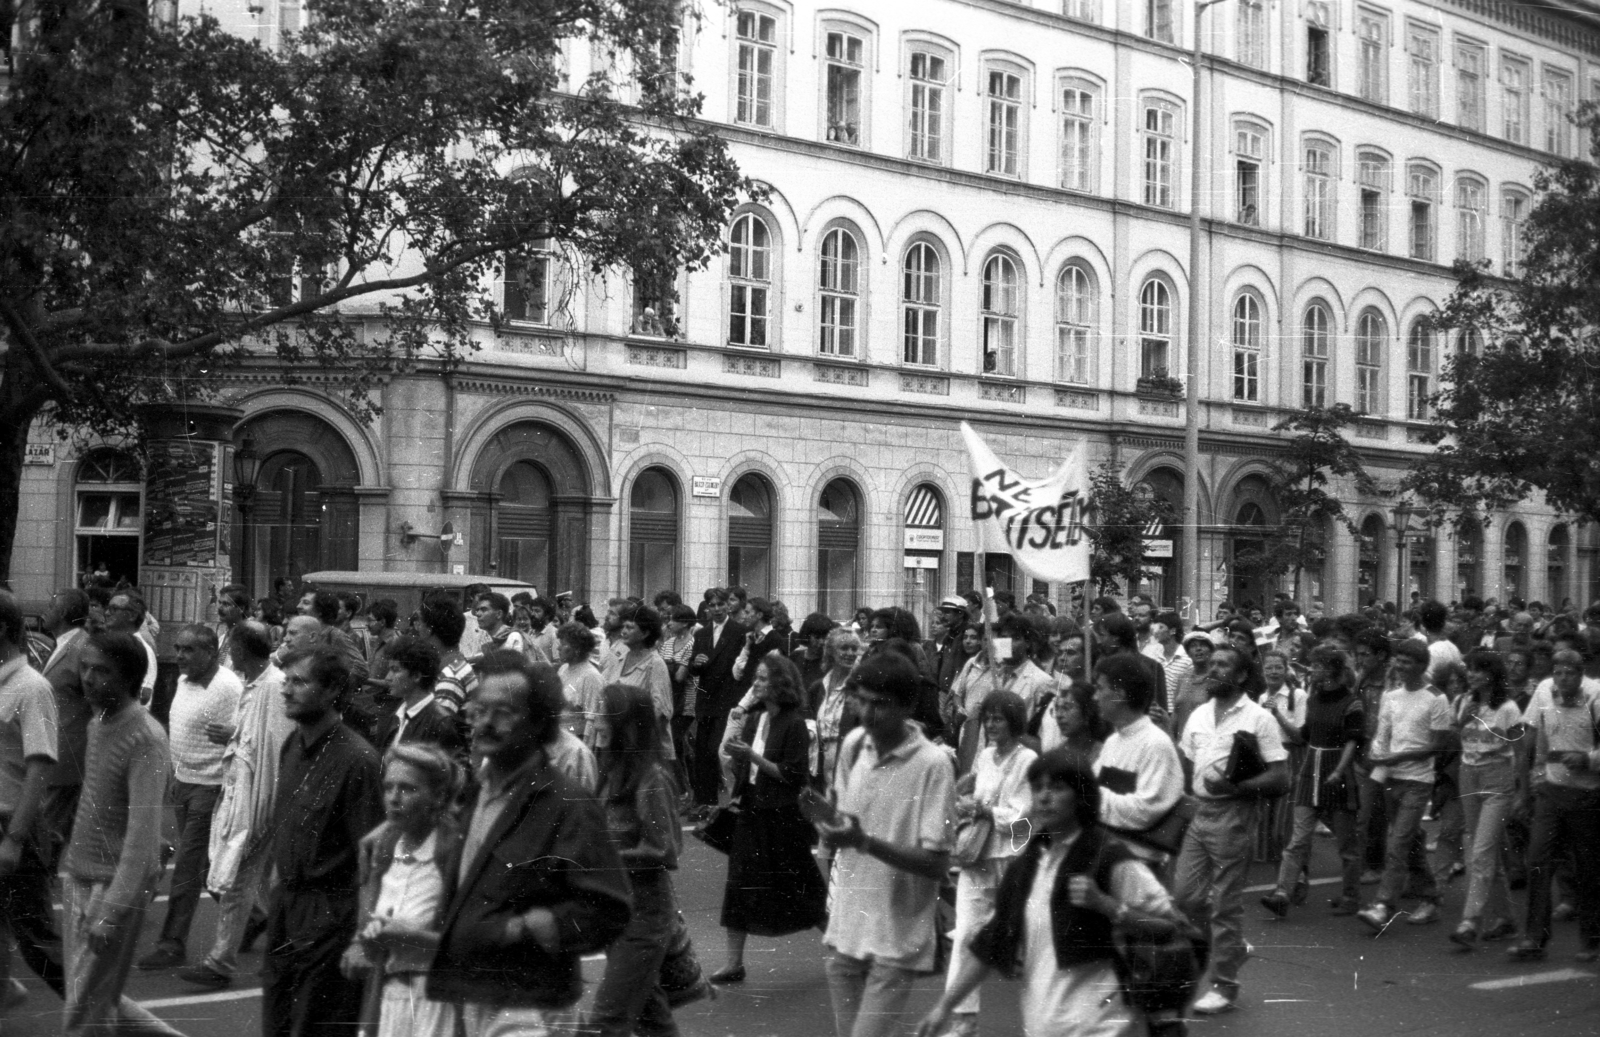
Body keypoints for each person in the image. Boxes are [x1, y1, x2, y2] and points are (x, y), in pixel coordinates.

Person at [426, 651, 632, 1037]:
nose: (485, 723)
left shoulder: (566, 801)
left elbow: (608, 906)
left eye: (503, 712)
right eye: (478, 710)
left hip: (529, 1006)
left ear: (538, 721)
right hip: (472, 993)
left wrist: (528, 927)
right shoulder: (477, 792)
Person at [918, 752, 1183, 1037]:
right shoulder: (1027, 866)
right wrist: (944, 1008)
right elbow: (989, 944)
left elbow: (1172, 927)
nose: (1044, 797)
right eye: (1038, 788)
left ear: (1081, 795)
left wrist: (1109, 907)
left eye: (1057, 788)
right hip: (1043, 1025)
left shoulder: (1108, 857)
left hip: (1104, 1025)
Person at [817, 651, 955, 1037]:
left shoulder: (933, 764)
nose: (868, 713)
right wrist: (832, 825)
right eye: (861, 700)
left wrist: (864, 841)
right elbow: (847, 818)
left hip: (897, 933)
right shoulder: (854, 744)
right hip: (847, 926)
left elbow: (937, 863)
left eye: (881, 704)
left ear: (908, 706)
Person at [61, 630, 186, 1036]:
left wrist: (112, 912)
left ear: (129, 678)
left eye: (102, 671)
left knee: (83, 1015)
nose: (89, 679)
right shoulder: (99, 722)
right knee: (96, 1000)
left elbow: (142, 840)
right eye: (85, 668)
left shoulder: (146, 737)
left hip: (110, 888)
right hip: (79, 878)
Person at [263, 646, 384, 1037]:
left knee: (319, 1026)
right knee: (278, 1022)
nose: (287, 689)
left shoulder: (357, 761)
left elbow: (373, 861)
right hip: (286, 909)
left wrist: (360, 938)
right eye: (286, 680)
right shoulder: (292, 747)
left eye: (299, 681)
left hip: (331, 917)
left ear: (332, 690)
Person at [178, 622, 294, 990]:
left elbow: (273, 747)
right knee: (248, 880)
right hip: (245, 793)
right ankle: (276, 947)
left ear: (242, 650)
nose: (229, 653)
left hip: (259, 797)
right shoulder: (256, 684)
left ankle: (221, 962)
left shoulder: (272, 687)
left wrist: (235, 737)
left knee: (238, 879)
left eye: (232, 647)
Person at [1174, 645, 1290, 1014]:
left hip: (1234, 814)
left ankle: (1224, 986)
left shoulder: (1259, 719)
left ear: (1241, 675)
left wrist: (1238, 788)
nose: (1212, 670)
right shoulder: (1198, 715)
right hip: (1199, 814)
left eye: (1222, 665)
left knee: (1225, 903)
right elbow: (1186, 761)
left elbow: (1280, 777)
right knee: (1187, 897)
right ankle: (1234, 949)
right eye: (1211, 665)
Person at [713, 654, 828, 983]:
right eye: (756, 679)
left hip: (782, 816)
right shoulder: (755, 719)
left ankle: (844, 948)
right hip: (752, 811)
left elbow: (792, 775)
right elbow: (747, 768)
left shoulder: (795, 723)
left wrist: (752, 756)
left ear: (781, 683)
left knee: (804, 887)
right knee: (738, 884)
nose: (757, 684)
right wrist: (738, 758)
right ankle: (733, 962)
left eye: (763, 679)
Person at [588, 682, 693, 1037]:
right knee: (652, 1019)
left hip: (644, 916)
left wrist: (605, 859)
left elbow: (665, 850)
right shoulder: (610, 771)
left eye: (602, 714)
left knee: (607, 1019)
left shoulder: (651, 778)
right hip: (616, 910)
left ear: (624, 723)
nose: (595, 720)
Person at [139, 625, 244, 970]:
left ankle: (172, 943)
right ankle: (257, 917)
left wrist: (232, 737)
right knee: (207, 865)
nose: (180, 656)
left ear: (211, 653)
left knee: (186, 865)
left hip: (211, 786)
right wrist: (173, 774)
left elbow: (245, 735)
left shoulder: (228, 687)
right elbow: (181, 729)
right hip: (183, 782)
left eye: (188, 650)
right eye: (178, 649)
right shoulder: (183, 681)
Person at [341, 743, 461, 1037]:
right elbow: (368, 922)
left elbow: (468, 944)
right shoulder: (383, 847)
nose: (394, 799)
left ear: (438, 796)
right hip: (388, 997)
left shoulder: (453, 853)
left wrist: (403, 936)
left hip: (436, 1003)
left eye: (408, 789)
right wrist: (360, 942)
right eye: (389, 788)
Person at [942, 691, 1036, 1037]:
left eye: (999, 718)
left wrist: (984, 810)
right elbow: (974, 794)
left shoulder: (1028, 760)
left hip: (1011, 858)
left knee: (1027, 941)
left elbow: (1023, 817)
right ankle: (963, 1019)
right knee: (966, 933)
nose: (992, 725)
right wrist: (965, 797)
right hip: (977, 857)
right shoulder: (983, 756)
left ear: (1014, 720)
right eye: (988, 719)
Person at [1507, 649, 1600, 962]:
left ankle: (1591, 938)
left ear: (1580, 673)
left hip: (1587, 793)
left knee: (1587, 869)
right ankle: (1534, 937)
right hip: (1551, 790)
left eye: (1569, 674)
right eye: (1558, 673)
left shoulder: (1596, 696)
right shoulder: (1545, 690)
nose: (1562, 679)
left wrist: (1588, 758)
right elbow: (1532, 738)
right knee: (1537, 860)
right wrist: (1527, 786)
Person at [1357, 639, 1454, 934]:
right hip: (1391, 777)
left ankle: (1382, 906)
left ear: (1423, 667)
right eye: (1398, 660)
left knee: (1397, 843)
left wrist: (1399, 756)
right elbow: (1382, 734)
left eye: (1408, 661)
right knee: (1409, 842)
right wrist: (1376, 756)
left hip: (1418, 781)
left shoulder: (1436, 698)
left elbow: (1436, 747)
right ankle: (1431, 897)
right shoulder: (1392, 696)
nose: (1400, 666)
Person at [1261, 645, 1364, 919]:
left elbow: (1353, 741)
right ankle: (1283, 893)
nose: (1313, 669)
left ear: (1332, 669)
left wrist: (1340, 771)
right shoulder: (1315, 700)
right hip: (1310, 772)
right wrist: (1278, 716)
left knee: (1346, 844)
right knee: (1297, 840)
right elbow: (1301, 736)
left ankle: (1351, 896)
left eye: (1318, 665)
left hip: (1336, 772)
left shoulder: (1351, 702)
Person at [0, 589, 64, 1010]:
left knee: (39, 944)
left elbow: (40, 768)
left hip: (12, 826)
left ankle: (103, 1014)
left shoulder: (30, 688)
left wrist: (15, 839)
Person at [1448, 650, 1525, 949]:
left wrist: (1521, 791)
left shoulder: (1507, 708)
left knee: (1479, 851)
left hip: (1498, 778)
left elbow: (1519, 750)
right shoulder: (1464, 702)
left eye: (1478, 670)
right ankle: (1505, 918)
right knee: (1484, 851)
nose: (1472, 675)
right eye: (1470, 670)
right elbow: (1456, 738)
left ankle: (1469, 921)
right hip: (1469, 775)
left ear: (1492, 674)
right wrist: (1462, 720)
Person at [1092, 654, 1185, 864]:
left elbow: (1145, 811)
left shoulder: (1156, 744)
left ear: (1120, 695)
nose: (1095, 697)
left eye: (1100, 688)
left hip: (1140, 861)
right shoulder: (1113, 741)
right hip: (1108, 854)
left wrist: (1091, 796)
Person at [688, 590, 749, 811]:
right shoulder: (702, 633)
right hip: (706, 699)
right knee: (702, 751)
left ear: (728, 606)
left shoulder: (740, 631)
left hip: (727, 698)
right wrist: (697, 662)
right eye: (711, 605)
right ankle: (704, 801)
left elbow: (743, 667)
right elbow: (692, 669)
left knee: (717, 749)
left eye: (720, 604)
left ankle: (723, 801)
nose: (716, 609)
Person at [370, 637, 465, 758]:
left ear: (416, 676)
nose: (388, 677)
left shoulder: (440, 723)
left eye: (395, 670)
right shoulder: (397, 714)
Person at [615, 606, 675, 758]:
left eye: (630, 627)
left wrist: (635, 734)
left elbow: (661, 710)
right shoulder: (619, 657)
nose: (623, 631)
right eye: (623, 626)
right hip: (620, 744)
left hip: (645, 749)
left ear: (645, 633)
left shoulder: (655, 664)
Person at [811, 627, 863, 788]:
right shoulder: (818, 687)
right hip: (819, 758)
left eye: (854, 649)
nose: (850, 653)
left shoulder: (860, 688)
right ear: (831, 652)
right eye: (844, 648)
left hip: (847, 760)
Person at [415, 594, 474, 715]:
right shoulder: (452, 664)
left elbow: (439, 727)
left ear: (429, 629)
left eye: (420, 623)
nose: (418, 629)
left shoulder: (450, 676)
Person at [555, 621, 604, 746]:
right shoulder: (564, 669)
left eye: (563, 644)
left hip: (576, 740)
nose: (558, 648)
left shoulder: (591, 677)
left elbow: (591, 721)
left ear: (577, 649)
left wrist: (586, 750)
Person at [1038, 676, 1104, 764]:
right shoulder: (1055, 756)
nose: (1059, 715)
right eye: (1057, 708)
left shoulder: (1103, 753)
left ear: (1087, 712)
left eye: (1066, 708)